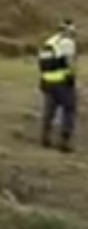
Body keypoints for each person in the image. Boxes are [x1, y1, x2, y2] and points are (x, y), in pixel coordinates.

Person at [38, 19, 77, 152]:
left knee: (49, 110)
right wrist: (72, 77)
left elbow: (42, 63)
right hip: (62, 81)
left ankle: (45, 137)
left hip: (47, 81)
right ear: (69, 30)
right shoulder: (67, 42)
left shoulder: (49, 42)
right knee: (69, 109)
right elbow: (69, 62)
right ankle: (64, 142)